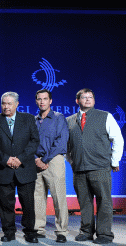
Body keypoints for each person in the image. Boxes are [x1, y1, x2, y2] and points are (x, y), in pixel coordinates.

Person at [66, 88, 123, 244]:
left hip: (100, 168)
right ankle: (86, 232)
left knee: (104, 201)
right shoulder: (69, 120)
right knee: (84, 202)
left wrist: (115, 160)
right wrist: (72, 161)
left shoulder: (105, 116)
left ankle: (104, 234)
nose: (88, 99)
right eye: (84, 97)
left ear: (94, 100)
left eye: (90, 97)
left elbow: (118, 138)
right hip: (79, 170)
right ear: (77, 101)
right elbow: (66, 146)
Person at [0, 91, 40, 243]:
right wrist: (6, 159)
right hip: (2, 169)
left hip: (25, 168)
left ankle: (30, 232)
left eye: (9, 103)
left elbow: (34, 141)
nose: (6, 107)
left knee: (28, 203)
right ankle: (9, 232)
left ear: (17, 104)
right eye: (3, 103)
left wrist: (20, 159)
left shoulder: (28, 119)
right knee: (5, 204)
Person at [33, 89, 69, 243]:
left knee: (58, 197)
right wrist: (36, 159)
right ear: (36, 101)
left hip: (53, 160)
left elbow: (61, 142)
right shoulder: (32, 120)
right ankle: (39, 229)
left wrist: (45, 159)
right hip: (35, 162)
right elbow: (28, 142)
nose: (42, 102)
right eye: (39, 99)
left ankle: (61, 231)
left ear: (50, 101)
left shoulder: (59, 118)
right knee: (37, 198)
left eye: (45, 99)